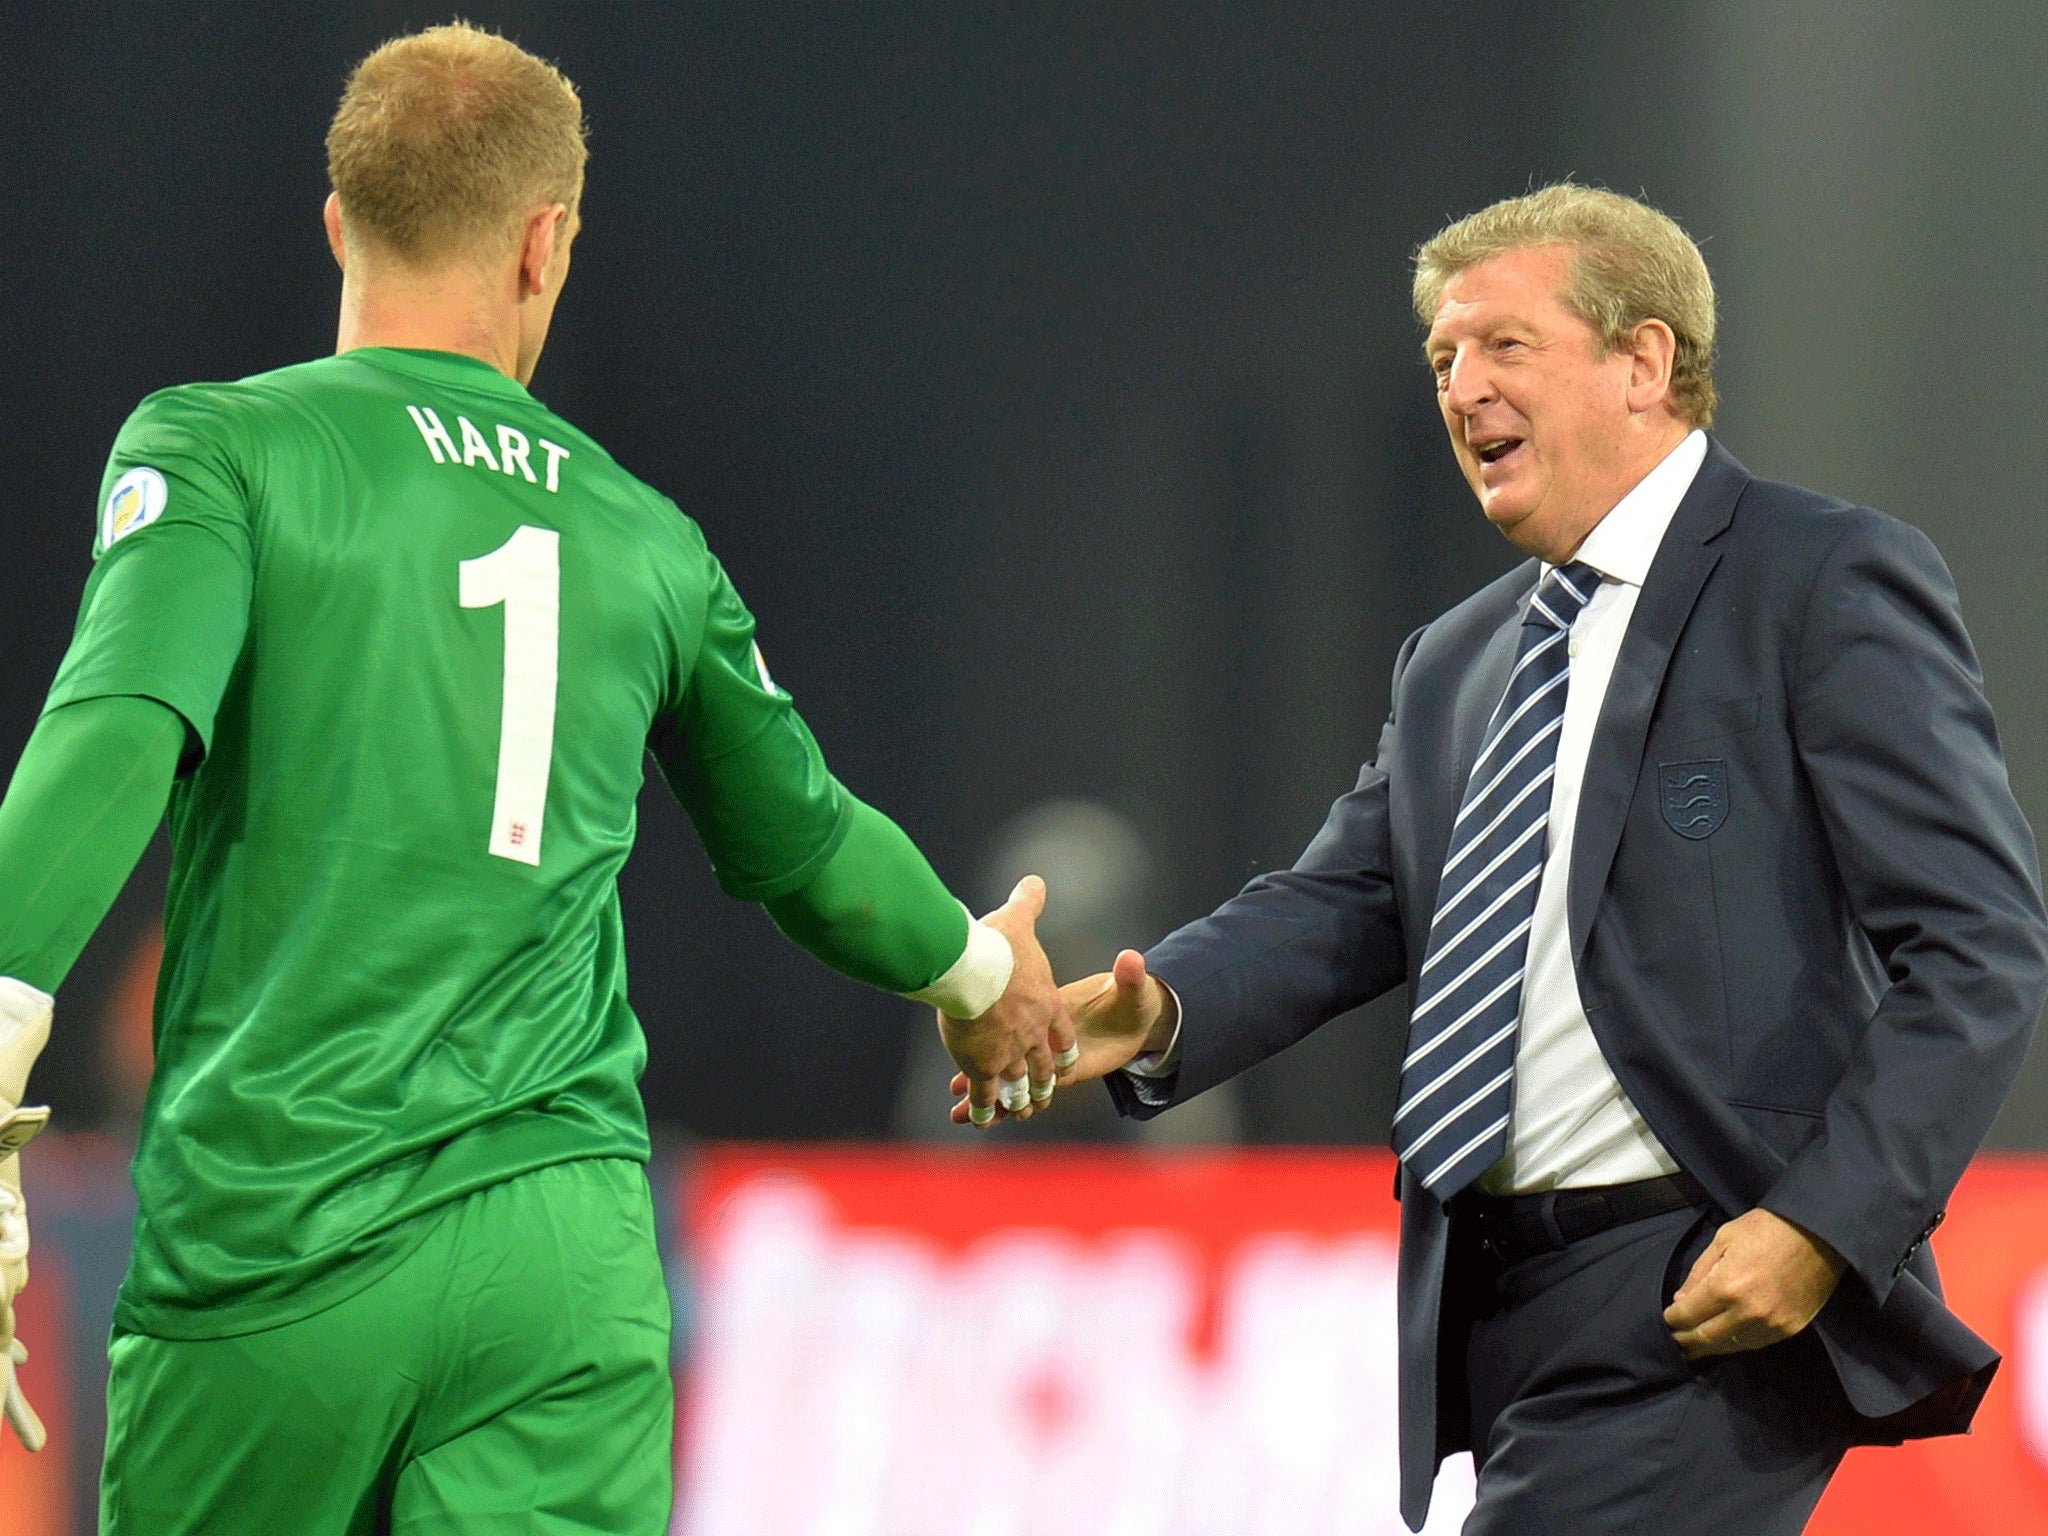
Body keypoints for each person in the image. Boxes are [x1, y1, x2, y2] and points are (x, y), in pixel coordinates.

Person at [0, 21, 1078, 1532]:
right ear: (544, 241)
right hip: (559, 1263)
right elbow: (810, 843)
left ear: (339, 222)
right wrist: (978, 976)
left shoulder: (220, 453)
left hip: (282, 1227)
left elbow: (117, 726)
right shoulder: (645, 537)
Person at [968, 184, 2048, 1532]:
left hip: (1702, 1290)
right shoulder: (1458, 661)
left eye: (1504, 347)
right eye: (1442, 360)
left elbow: (1980, 946)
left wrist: (1825, 1224)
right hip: (1497, 1303)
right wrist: (1151, 1011)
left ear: (1644, 363)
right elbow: (1344, 899)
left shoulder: (1818, 580)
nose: (1461, 386)